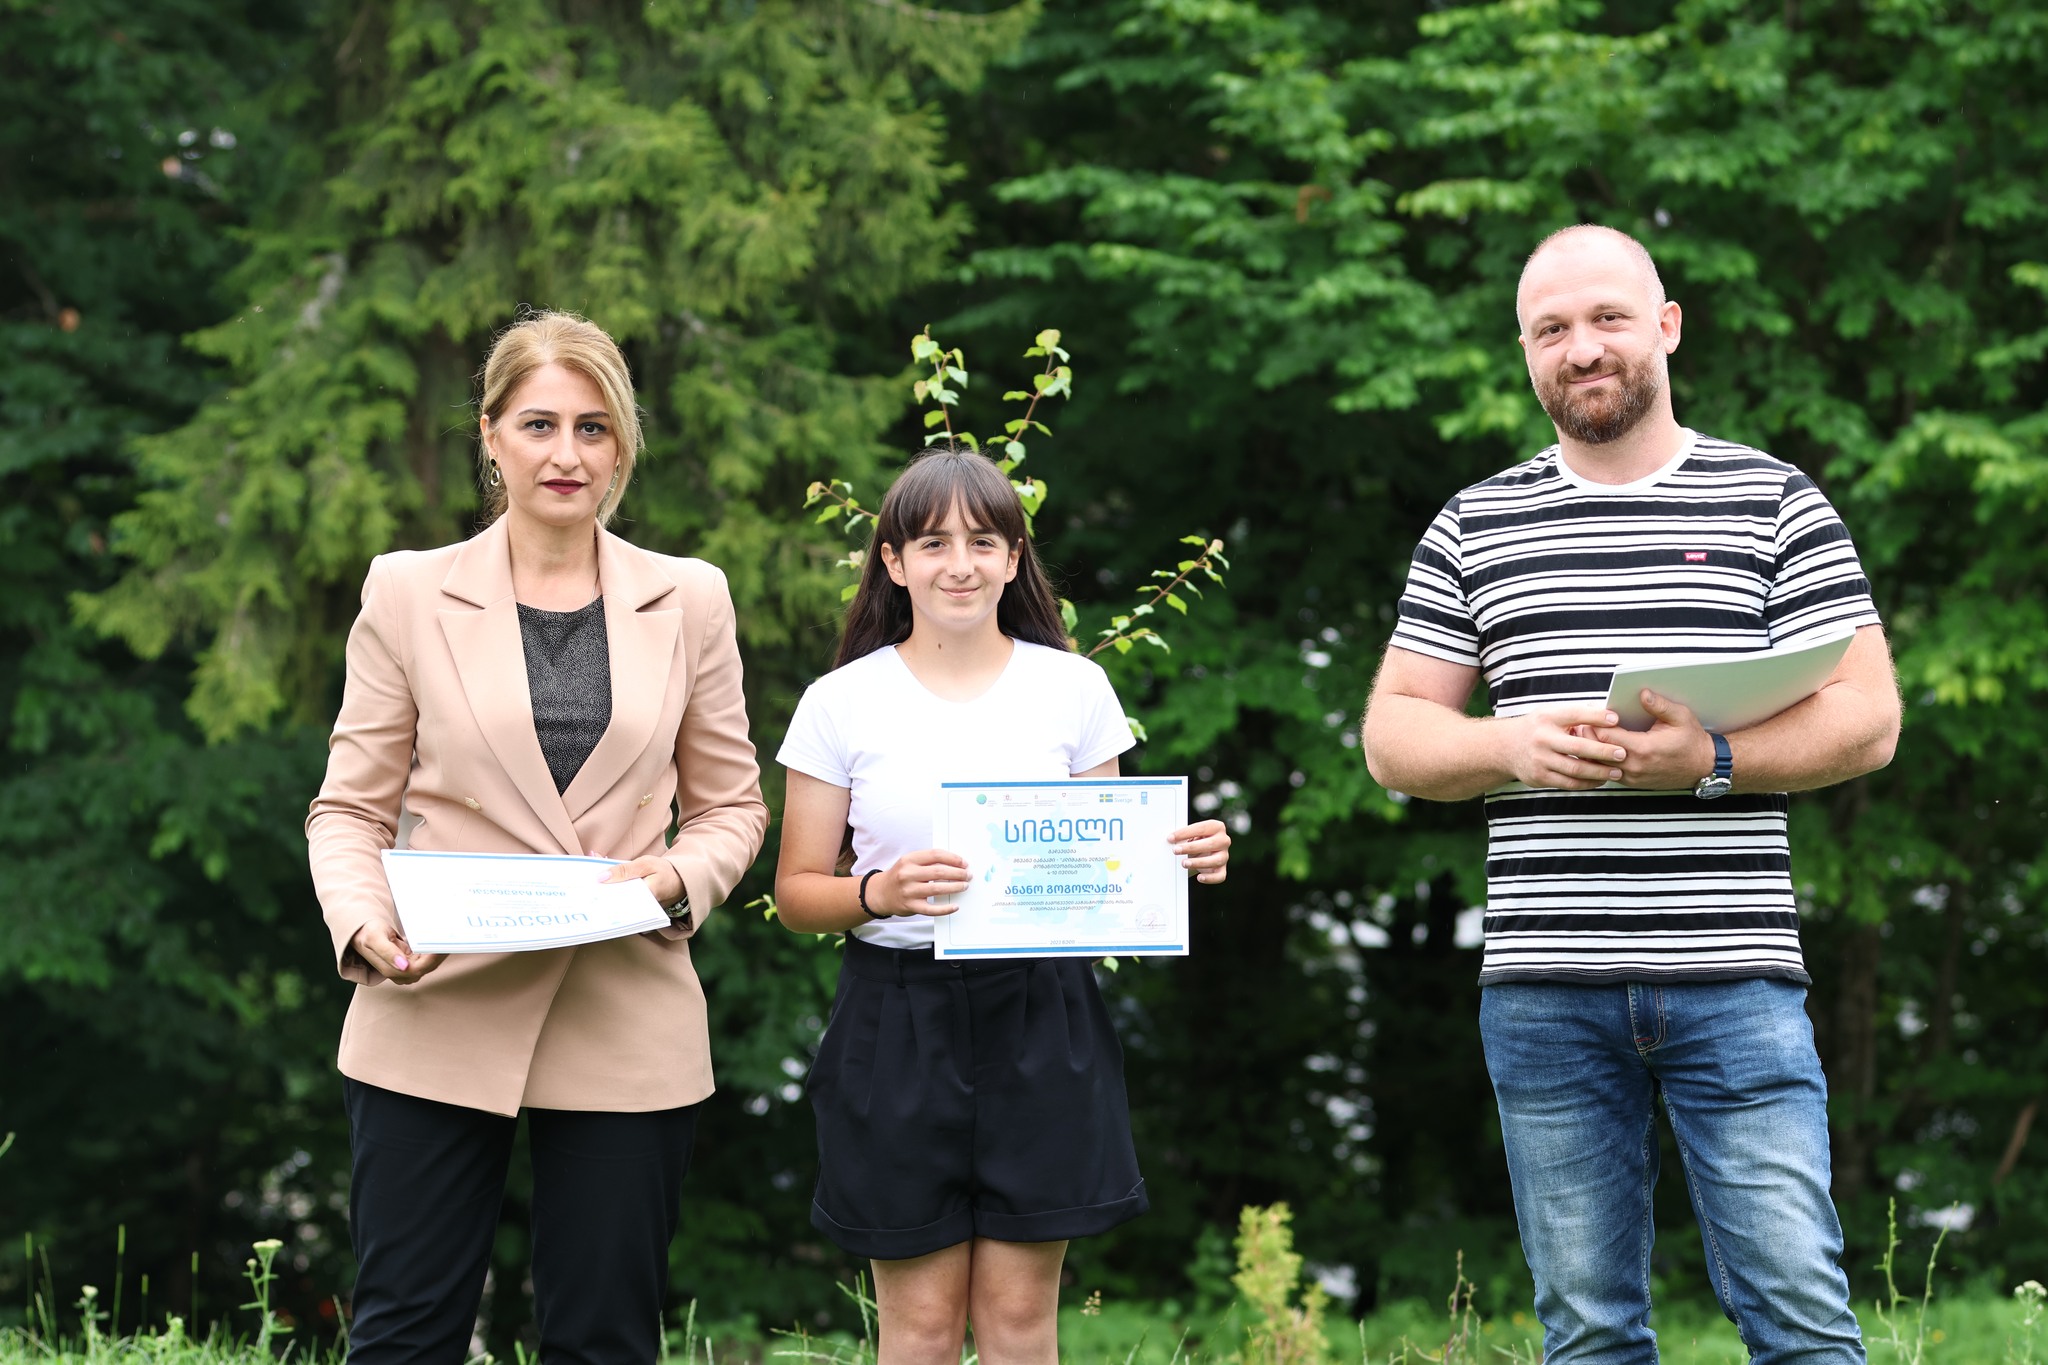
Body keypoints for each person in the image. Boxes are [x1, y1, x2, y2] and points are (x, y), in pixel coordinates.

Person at [1360, 225, 1900, 1363]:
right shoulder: (1473, 521)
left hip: (1736, 977)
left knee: (1802, 1319)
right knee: (1589, 1335)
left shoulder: (1773, 500)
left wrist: (1711, 760)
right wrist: (1508, 746)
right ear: (1525, 352)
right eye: (1549, 329)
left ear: (1665, 325)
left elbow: (1868, 716)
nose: (1581, 348)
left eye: (1607, 317)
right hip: (1543, 989)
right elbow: (1393, 737)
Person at [305, 311, 768, 1364]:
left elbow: (733, 807)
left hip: (624, 1005)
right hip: (434, 995)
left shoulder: (692, 598)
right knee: (404, 1336)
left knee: (607, 1341)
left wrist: (674, 878)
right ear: (491, 435)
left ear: (622, 445)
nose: (567, 454)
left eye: (593, 428)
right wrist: (363, 921)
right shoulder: (406, 590)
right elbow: (349, 809)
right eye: (540, 424)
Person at [772, 447, 1233, 1365]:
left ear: (1015, 558)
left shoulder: (1074, 687)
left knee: (1022, 1322)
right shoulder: (839, 702)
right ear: (893, 561)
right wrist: (876, 892)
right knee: (921, 1328)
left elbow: (1109, 869)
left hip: (1041, 1011)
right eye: (933, 542)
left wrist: (1181, 856)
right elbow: (794, 892)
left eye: (984, 541)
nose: (961, 563)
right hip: (895, 1013)